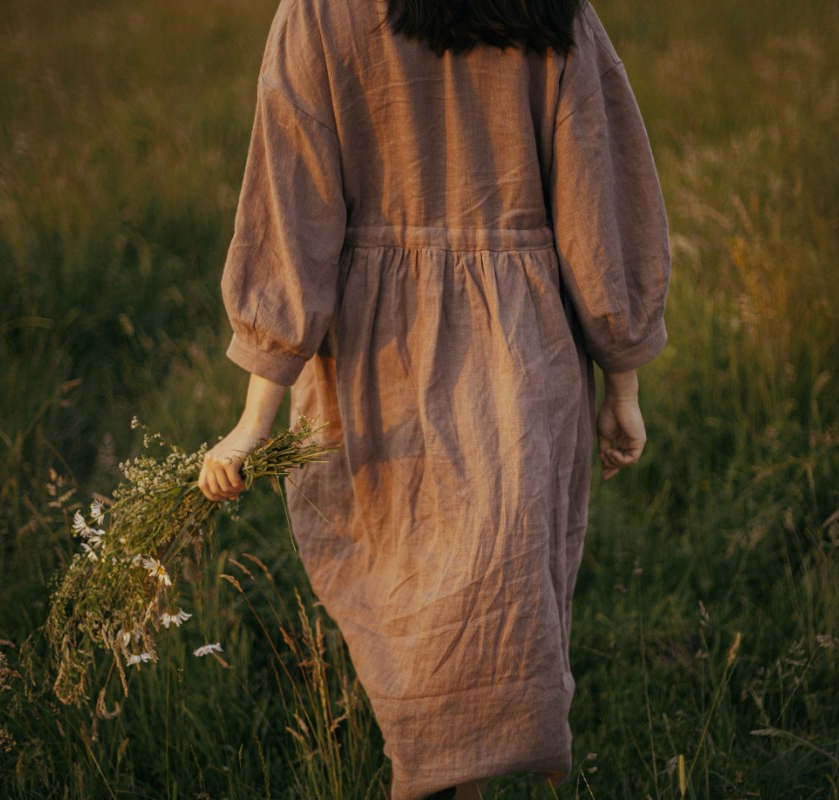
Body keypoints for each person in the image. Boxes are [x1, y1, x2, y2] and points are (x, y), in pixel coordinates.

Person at [198, 0, 671, 796]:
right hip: (521, 367)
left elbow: (291, 219)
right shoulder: (549, 11)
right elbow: (602, 206)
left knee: (430, 633)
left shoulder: (318, 14)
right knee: (481, 619)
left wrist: (255, 419)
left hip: (375, 369)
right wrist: (621, 383)